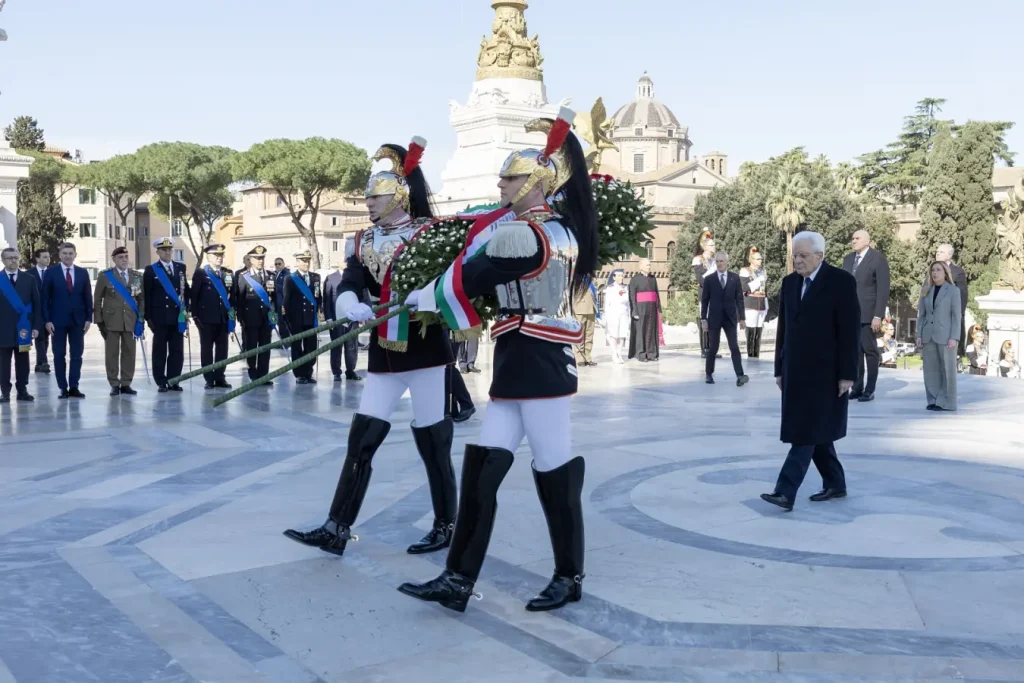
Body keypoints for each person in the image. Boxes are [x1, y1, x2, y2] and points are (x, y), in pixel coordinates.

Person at [398, 107, 598, 613]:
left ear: (534, 183)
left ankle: (569, 575)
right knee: (483, 469)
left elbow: (479, 271)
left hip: (541, 361)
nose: (501, 184)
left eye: (510, 177)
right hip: (518, 356)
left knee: (554, 469)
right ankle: (458, 579)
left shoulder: (530, 233)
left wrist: (431, 293)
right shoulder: (547, 227)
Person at [283, 137, 458, 557]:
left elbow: (453, 278)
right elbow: (352, 279)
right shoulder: (362, 239)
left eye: (375, 196)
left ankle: (446, 523)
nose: (367, 203)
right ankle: (336, 526)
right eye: (367, 196)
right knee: (361, 438)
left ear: (398, 194)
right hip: (383, 350)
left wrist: (429, 295)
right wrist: (348, 301)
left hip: (425, 347)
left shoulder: (428, 233)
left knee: (433, 440)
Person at [761, 231, 859, 511]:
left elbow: (849, 331)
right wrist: (779, 367)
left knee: (805, 432)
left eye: (803, 255)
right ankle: (835, 483)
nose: (798, 260)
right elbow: (784, 330)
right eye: (795, 255)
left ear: (820, 255)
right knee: (818, 432)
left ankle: (785, 491)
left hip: (826, 373)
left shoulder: (841, 282)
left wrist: (847, 374)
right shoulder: (790, 283)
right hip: (795, 371)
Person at [842, 230, 890, 402]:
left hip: (868, 315)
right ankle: (856, 387)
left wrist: (878, 315)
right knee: (855, 353)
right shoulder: (848, 260)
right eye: (852, 238)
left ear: (867, 241)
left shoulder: (877, 259)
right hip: (849, 314)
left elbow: (883, 290)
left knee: (869, 351)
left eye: (857, 238)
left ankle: (869, 389)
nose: (853, 241)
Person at [43, 242, 92, 399]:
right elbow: (45, 299)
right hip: (57, 321)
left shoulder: (83, 273)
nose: (68, 256)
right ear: (59, 255)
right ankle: (62, 388)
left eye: (71, 253)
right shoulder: (51, 273)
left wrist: (88, 318)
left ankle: (74, 386)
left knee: (77, 355)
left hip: (78, 321)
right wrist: (47, 320)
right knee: (59, 355)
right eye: (65, 253)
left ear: (75, 255)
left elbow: (87, 297)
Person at [93, 246, 144, 396]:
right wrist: (99, 321)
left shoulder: (136, 276)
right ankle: (114, 383)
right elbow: (97, 300)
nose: (124, 260)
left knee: (129, 353)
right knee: (112, 353)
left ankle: (126, 383)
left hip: (130, 320)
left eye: (126, 257)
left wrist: (140, 319)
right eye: (121, 257)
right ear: (113, 259)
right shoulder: (106, 276)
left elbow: (141, 299)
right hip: (111, 320)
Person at [143, 238, 189, 393]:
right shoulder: (151, 270)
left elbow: (185, 291)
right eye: (164, 250)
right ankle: (161, 381)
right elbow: (147, 295)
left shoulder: (180, 267)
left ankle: (174, 379)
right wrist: (148, 318)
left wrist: (186, 310)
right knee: (159, 351)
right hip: (159, 317)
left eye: (169, 249)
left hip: (177, 318)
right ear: (158, 252)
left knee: (177, 351)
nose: (167, 252)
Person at [917, 261, 961, 411]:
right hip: (928, 335)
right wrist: (919, 334)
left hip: (946, 336)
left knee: (947, 370)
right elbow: (921, 315)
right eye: (933, 270)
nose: (935, 273)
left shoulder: (953, 291)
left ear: (945, 272)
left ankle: (947, 402)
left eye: (938, 270)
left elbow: (956, 317)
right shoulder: (926, 290)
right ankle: (933, 399)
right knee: (930, 369)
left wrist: (954, 337)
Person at [190, 243, 234, 390]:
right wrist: (195, 316)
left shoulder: (228, 273)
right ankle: (209, 378)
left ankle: (220, 376)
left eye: (221, 255)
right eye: (216, 255)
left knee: (222, 350)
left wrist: (232, 315)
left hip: (223, 318)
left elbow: (231, 295)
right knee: (207, 349)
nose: (219, 258)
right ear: (209, 257)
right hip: (206, 319)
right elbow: (194, 296)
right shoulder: (201, 273)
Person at [701, 252, 749, 386]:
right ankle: (709, 374)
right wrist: (703, 319)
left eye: (722, 261)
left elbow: (739, 299)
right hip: (714, 318)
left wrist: (742, 318)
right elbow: (704, 301)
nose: (720, 264)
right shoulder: (709, 279)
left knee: (734, 346)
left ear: (727, 262)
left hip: (730, 318)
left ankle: (740, 375)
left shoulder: (734, 278)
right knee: (713, 347)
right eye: (717, 261)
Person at [0, 247, 41, 402]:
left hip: (23, 328)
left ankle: (22, 390)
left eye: (16, 257)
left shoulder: (29, 279)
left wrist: (36, 327)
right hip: (2, 328)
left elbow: (37, 305)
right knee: (3, 362)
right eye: (9, 258)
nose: (13, 260)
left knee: (23, 360)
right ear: (3, 260)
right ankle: (4, 391)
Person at [232, 245, 276, 385]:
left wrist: (274, 314)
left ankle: (264, 375)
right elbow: (239, 298)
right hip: (250, 318)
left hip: (266, 318)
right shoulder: (244, 277)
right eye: (257, 258)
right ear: (250, 259)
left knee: (265, 347)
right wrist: (241, 318)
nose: (260, 261)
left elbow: (274, 298)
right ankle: (253, 372)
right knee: (252, 346)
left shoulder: (270, 275)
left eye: (262, 258)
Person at [282, 249, 322, 384]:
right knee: (297, 347)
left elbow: (318, 296)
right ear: (297, 262)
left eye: (308, 261)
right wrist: (287, 320)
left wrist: (319, 311)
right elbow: (286, 301)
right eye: (303, 261)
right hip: (297, 319)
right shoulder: (290, 278)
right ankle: (299, 374)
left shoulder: (316, 277)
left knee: (311, 347)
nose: (306, 263)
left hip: (310, 318)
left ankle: (308, 372)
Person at [322, 254, 361, 382]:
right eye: (344, 262)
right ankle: (336, 372)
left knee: (352, 346)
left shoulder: (354, 278)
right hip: (336, 319)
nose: (346, 264)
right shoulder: (331, 278)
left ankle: (350, 370)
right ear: (339, 262)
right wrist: (328, 318)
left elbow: (360, 296)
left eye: (348, 262)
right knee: (336, 346)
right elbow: (326, 299)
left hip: (352, 318)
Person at [935, 244, 968, 357]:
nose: (937, 253)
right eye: (937, 251)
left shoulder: (957, 272)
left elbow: (962, 294)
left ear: (949, 255)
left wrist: (959, 313)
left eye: (941, 252)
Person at [628, 258, 661, 362]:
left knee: (652, 330)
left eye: (649, 265)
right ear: (640, 266)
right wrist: (634, 311)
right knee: (641, 331)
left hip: (652, 308)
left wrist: (659, 307)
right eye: (647, 265)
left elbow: (656, 293)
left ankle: (651, 353)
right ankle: (641, 354)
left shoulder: (653, 278)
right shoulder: (635, 279)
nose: (649, 267)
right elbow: (632, 296)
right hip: (641, 308)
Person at [739, 246, 768, 358]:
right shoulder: (745, 271)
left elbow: (765, 289)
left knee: (759, 329)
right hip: (750, 303)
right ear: (751, 260)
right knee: (751, 329)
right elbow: (744, 287)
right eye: (758, 259)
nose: (760, 260)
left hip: (761, 302)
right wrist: (758, 281)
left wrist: (766, 303)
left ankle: (756, 354)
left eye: (761, 258)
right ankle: (750, 354)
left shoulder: (762, 271)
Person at [25, 249, 51, 374]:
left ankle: (40, 363)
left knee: (45, 337)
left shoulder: (52, 273)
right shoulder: (29, 274)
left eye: (48, 257)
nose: (48, 259)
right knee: (40, 337)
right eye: (45, 257)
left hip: (49, 310)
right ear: (37, 259)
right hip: (35, 310)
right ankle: (43, 362)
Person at [692, 231, 716, 358]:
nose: (714, 247)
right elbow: (700, 279)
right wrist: (711, 271)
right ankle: (704, 349)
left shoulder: (714, 260)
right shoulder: (698, 259)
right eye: (711, 245)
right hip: (704, 294)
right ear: (705, 246)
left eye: (714, 245)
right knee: (704, 321)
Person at [602, 269, 630, 364]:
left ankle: (619, 353)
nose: (621, 278)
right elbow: (607, 304)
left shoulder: (625, 288)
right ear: (614, 277)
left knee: (622, 334)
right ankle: (614, 353)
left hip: (624, 313)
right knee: (613, 334)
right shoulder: (610, 288)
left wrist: (629, 314)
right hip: (613, 313)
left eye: (622, 276)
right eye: (618, 276)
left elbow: (628, 303)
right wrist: (606, 315)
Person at [573, 275, 599, 367]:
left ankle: (588, 356)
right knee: (580, 334)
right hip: (580, 309)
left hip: (591, 309)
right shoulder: (576, 277)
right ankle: (579, 357)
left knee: (589, 334)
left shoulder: (591, 278)